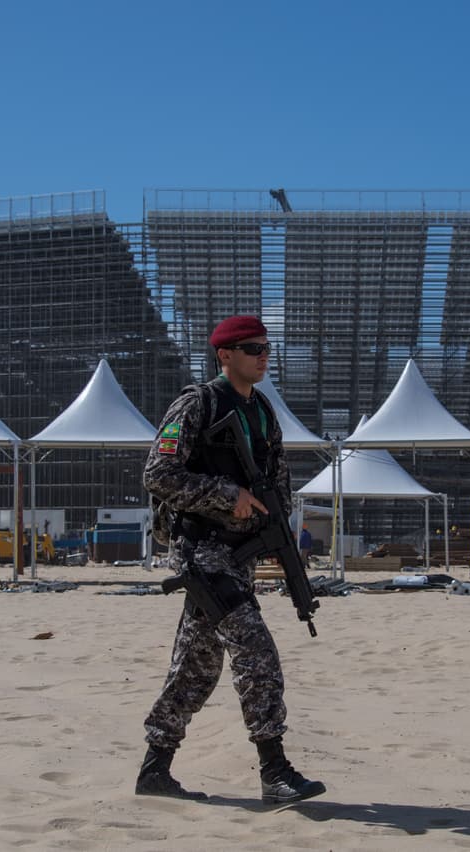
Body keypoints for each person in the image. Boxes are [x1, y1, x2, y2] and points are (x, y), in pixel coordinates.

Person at [136, 314, 325, 805]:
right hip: (202, 549)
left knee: (196, 667)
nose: (263, 355)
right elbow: (157, 474)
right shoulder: (197, 403)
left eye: (266, 347)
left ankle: (154, 771)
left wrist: (283, 541)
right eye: (251, 348)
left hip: (237, 553)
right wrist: (225, 493)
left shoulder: (262, 409)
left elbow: (276, 484)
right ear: (224, 355)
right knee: (256, 650)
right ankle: (274, 770)